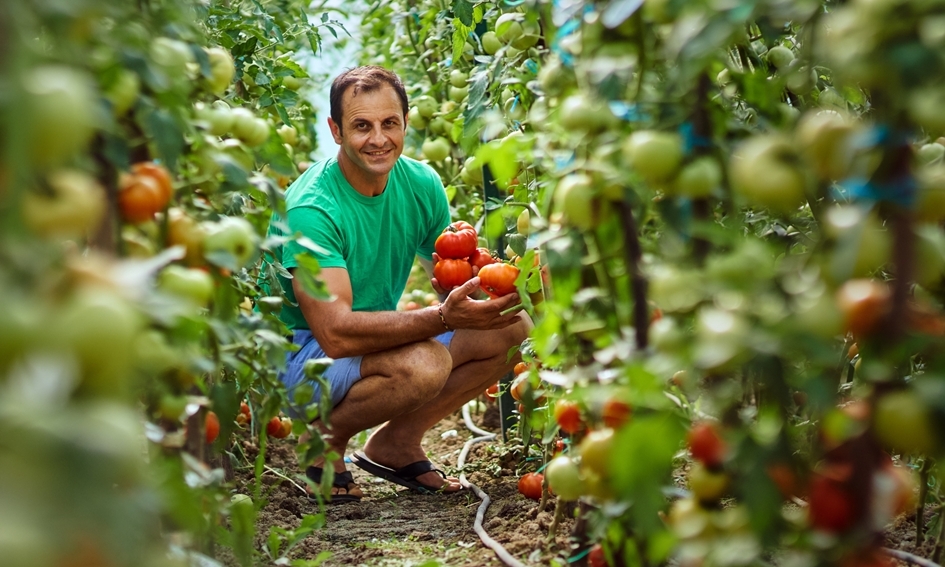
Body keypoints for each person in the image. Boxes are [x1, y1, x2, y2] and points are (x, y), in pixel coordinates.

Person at [263, 66, 532, 503]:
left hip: (358, 341)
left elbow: (449, 281)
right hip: (297, 354)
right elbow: (333, 333)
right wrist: (443, 317)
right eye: (361, 126)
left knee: (511, 328)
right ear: (335, 130)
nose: (378, 138)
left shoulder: (421, 184)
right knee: (423, 364)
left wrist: (502, 288)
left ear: (406, 122)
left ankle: (396, 444)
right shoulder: (312, 209)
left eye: (389, 123)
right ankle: (324, 442)